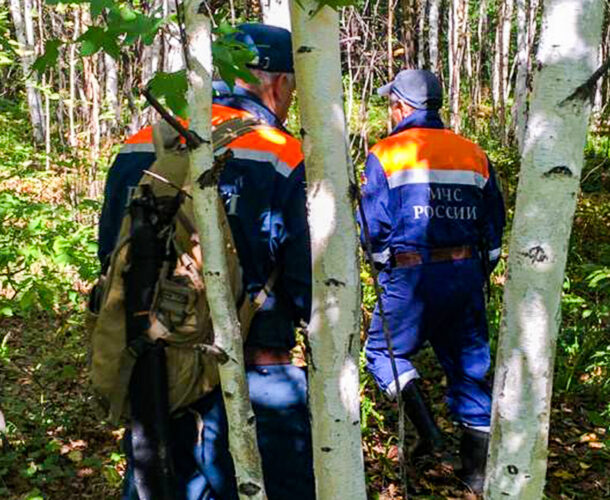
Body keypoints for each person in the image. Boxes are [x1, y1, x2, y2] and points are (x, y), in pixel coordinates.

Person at [98, 24, 315, 500]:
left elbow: (108, 254)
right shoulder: (283, 154)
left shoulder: (143, 143)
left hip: (156, 370)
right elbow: (308, 282)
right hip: (258, 375)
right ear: (278, 83)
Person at [358, 69, 505, 493]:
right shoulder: (473, 154)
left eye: (392, 104)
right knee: (469, 369)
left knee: (383, 352)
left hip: (411, 273)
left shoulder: (386, 153)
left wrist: (388, 269)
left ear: (402, 106)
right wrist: (478, 271)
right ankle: (476, 475)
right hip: (464, 274)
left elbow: (373, 228)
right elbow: (493, 225)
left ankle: (430, 435)